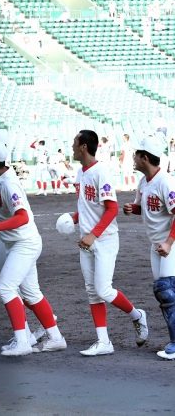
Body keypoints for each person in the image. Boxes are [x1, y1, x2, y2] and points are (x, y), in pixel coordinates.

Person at [0, 137, 66, 356]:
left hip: (24, 243)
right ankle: (56, 337)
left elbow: (23, 217)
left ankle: (22, 342)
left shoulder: (8, 183)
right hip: (17, 242)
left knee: (6, 288)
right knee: (31, 293)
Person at [69, 129, 148, 356]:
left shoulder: (100, 171)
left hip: (104, 239)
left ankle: (137, 315)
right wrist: (74, 218)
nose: (72, 146)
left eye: (75, 143)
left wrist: (93, 235)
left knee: (103, 289)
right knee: (92, 291)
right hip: (87, 239)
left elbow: (112, 208)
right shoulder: (80, 173)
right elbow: (87, 207)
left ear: (84, 146)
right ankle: (103, 342)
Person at [123, 134, 175, 360]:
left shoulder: (165, 181)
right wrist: (132, 209)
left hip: (170, 243)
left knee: (166, 291)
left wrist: (169, 242)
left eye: (136, 154)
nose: (133, 158)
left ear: (145, 158)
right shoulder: (144, 183)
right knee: (165, 293)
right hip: (157, 245)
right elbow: (146, 209)